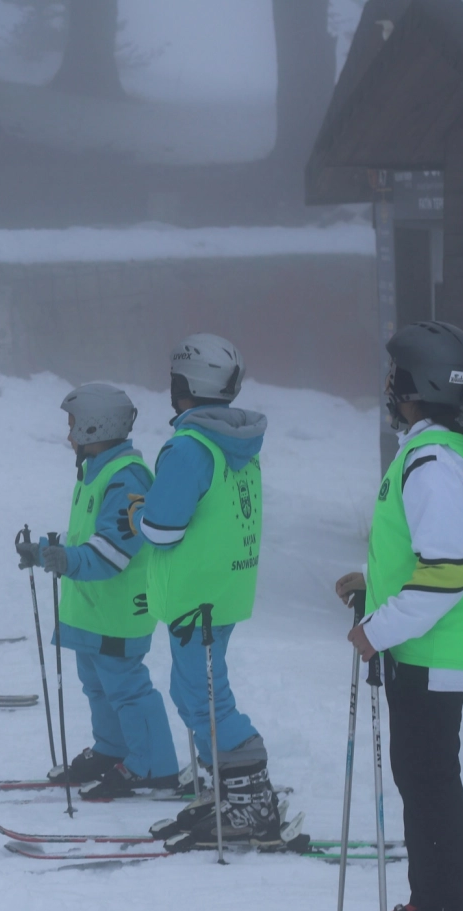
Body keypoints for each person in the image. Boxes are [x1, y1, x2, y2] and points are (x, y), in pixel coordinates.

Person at [334, 321, 463, 911]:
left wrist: (376, 630)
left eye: (393, 376)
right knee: (428, 781)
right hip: (433, 651)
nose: (387, 386)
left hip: (429, 653)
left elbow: (448, 569)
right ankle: (438, 907)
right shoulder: (453, 449)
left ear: (414, 384)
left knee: (429, 784)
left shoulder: (431, 461)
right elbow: (429, 554)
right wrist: (374, 584)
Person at [138, 334, 281, 851]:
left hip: (195, 595)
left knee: (204, 697)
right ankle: (233, 790)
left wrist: (138, 511)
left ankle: (250, 800)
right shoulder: (237, 441)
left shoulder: (189, 447)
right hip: (221, 590)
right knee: (196, 691)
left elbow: (161, 529)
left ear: (183, 385)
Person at [16, 384, 180, 798]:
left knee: (126, 686)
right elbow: (87, 539)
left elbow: (113, 549)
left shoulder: (127, 478)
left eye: (72, 425)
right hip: (92, 608)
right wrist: (44, 554)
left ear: (95, 426)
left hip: (118, 609)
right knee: (96, 683)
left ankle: (154, 766)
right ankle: (114, 749)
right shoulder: (94, 470)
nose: (68, 434)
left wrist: (67, 560)